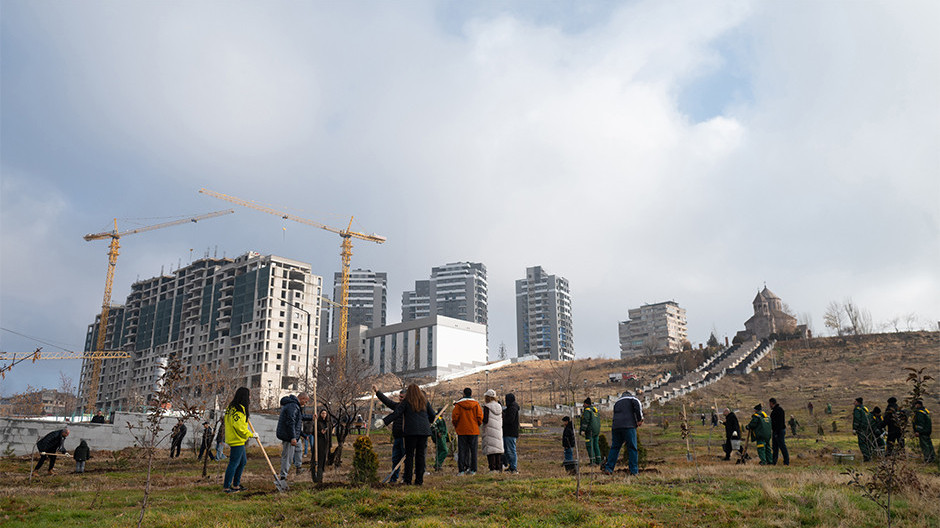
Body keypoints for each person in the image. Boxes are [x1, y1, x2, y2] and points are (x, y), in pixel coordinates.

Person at [380, 384, 435, 485]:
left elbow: (397, 413)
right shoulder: (424, 402)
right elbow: (432, 415)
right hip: (424, 432)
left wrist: (384, 422)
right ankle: (419, 481)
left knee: (409, 456)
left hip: (411, 432)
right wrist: (429, 421)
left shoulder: (406, 402)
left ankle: (408, 480)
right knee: (420, 456)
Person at [602, 390, 644, 476]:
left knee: (615, 447)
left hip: (616, 427)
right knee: (632, 448)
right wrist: (639, 420)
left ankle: (609, 468)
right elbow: (638, 409)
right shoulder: (633, 399)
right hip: (629, 426)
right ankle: (634, 471)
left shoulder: (617, 402)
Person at [223, 387, 253, 493]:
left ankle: (236, 485)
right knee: (234, 463)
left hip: (237, 439)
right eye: (249, 395)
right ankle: (227, 487)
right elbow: (239, 427)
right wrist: (251, 434)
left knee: (242, 462)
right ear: (245, 396)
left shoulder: (231, 407)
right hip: (237, 439)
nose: (250, 397)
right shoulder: (238, 410)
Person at [375, 385, 406, 483]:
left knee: (406, 460)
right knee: (395, 459)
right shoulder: (397, 406)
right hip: (397, 437)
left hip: (405, 437)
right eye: (399, 397)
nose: (400, 399)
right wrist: (377, 392)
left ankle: (405, 478)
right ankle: (393, 478)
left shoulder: (408, 409)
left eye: (402, 397)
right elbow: (387, 401)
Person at [276, 392, 308, 480]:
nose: (305, 404)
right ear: (302, 398)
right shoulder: (292, 406)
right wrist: (292, 437)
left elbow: (300, 417)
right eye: (305, 402)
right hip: (288, 435)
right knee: (288, 456)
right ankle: (283, 476)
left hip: (295, 435)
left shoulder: (295, 406)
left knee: (299, 449)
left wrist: (311, 417)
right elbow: (291, 422)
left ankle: (298, 467)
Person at [452, 387, 483, 475]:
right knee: (473, 451)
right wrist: (477, 425)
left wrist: (456, 426)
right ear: (471, 394)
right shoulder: (476, 404)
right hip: (473, 430)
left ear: (464, 394)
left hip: (462, 430)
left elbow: (455, 418)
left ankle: (462, 470)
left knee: (462, 450)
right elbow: (480, 417)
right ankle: (473, 469)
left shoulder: (458, 405)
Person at [481, 389, 504, 472]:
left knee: (490, 450)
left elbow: (485, 420)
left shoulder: (487, 407)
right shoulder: (499, 406)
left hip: (489, 430)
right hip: (498, 430)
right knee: (497, 450)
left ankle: (492, 468)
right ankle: (499, 468)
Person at [502, 393, 520, 473]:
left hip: (510, 433)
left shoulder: (512, 408)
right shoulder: (512, 407)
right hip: (510, 432)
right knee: (508, 450)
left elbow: (509, 420)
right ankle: (511, 466)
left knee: (510, 451)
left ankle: (513, 467)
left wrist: (502, 414)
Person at [580, 398, 602, 465]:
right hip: (597, 430)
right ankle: (598, 460)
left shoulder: (587, 411)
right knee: (596, 445)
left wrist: (583, 430)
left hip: (590, 431)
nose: (583, 405)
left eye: (584, 404)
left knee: (590, 445)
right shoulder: (595, 411)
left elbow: (586, 420)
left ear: (586, 404)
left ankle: (592, 461)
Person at [852, 397, 874, 462]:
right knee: (868, 442)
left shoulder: (857, 409)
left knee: (862, 443)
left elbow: (857, 419)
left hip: (861, 428)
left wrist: (855, 428)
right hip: (868, 428)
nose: (854, 403)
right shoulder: (865, 408)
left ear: (858, 402)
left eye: (855, 401)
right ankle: (870, 456)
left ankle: (866, 458)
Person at [769, 398, 789, 466]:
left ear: (772, 403)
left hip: (779, 431)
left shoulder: (778, 410)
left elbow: (779, 423)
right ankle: (774, 461)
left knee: (782, 446)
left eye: (770, 404)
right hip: (776, 431)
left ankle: (786, 461)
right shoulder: (777, 410)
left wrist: (776, 432)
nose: (769, 405)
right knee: (775, 447)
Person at [313, 409, 331, 482]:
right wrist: (321, 432)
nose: (324, 415)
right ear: (320, 414)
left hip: (326, 442)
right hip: (319, 442)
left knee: (324, 457)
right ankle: (317, 474)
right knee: (319, 457)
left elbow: (329, 434)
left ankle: (322, 472)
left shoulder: (328, 423)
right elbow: (314, 432)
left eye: (325, 413)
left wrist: (330, 444)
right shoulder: (317, 422)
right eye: (322, 413)